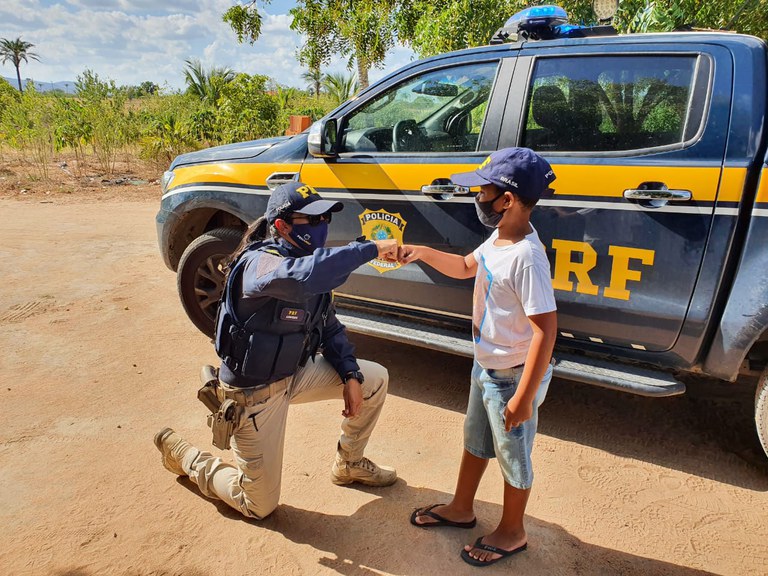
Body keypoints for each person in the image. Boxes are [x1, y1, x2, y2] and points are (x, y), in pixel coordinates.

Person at [154, 181, 399, 520]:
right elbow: (300, 277)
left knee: (374, 379)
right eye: (311, 220)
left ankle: (350, 463)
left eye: (324, 217)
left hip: (294, 374)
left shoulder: (308, 262)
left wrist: (350, 374)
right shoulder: (261, 264)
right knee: (257, 505)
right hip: (254, 394)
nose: (321, 226)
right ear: (282, 227)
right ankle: (185, 456)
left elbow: (328, 325)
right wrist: (370, 249)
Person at [403, 148, 558, 567]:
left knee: (514, 455)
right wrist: (420, 251)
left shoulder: (527, 257)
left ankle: (513, 530)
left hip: (511, 375)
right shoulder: (499, 236)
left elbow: (547, 328)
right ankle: (461, 507)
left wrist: (524, 398)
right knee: (476, 442)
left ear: (506, 200)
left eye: (482, 190)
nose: (475, 196)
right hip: (486, 366)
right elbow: (465, 265)